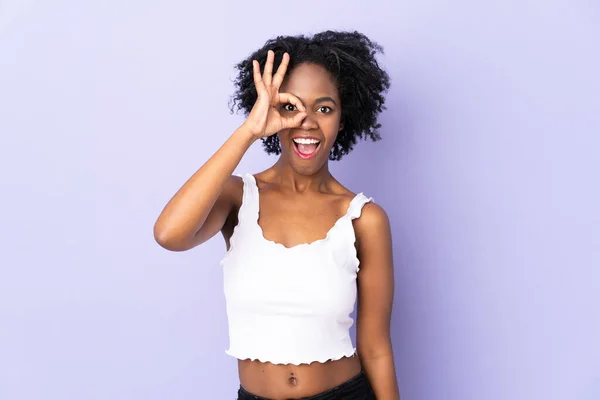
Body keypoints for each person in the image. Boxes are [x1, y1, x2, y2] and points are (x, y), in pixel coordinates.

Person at [153, 30, 399, 400]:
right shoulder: (238, 198)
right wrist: (249, 131)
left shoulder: (364, 219)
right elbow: (169, 234)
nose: (307, 121)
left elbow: (376, 348)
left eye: (324, 108)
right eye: (290, 106)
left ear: (343, 119)